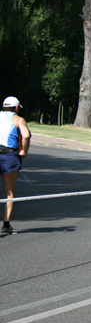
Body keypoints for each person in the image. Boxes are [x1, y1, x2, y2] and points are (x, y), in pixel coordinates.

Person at [0, 97, 31, 235]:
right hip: (9, 156)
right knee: (9, 191)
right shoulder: (18, 119)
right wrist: (24, 151)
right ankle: (6, 225)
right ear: (17, 108)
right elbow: (26, 135)